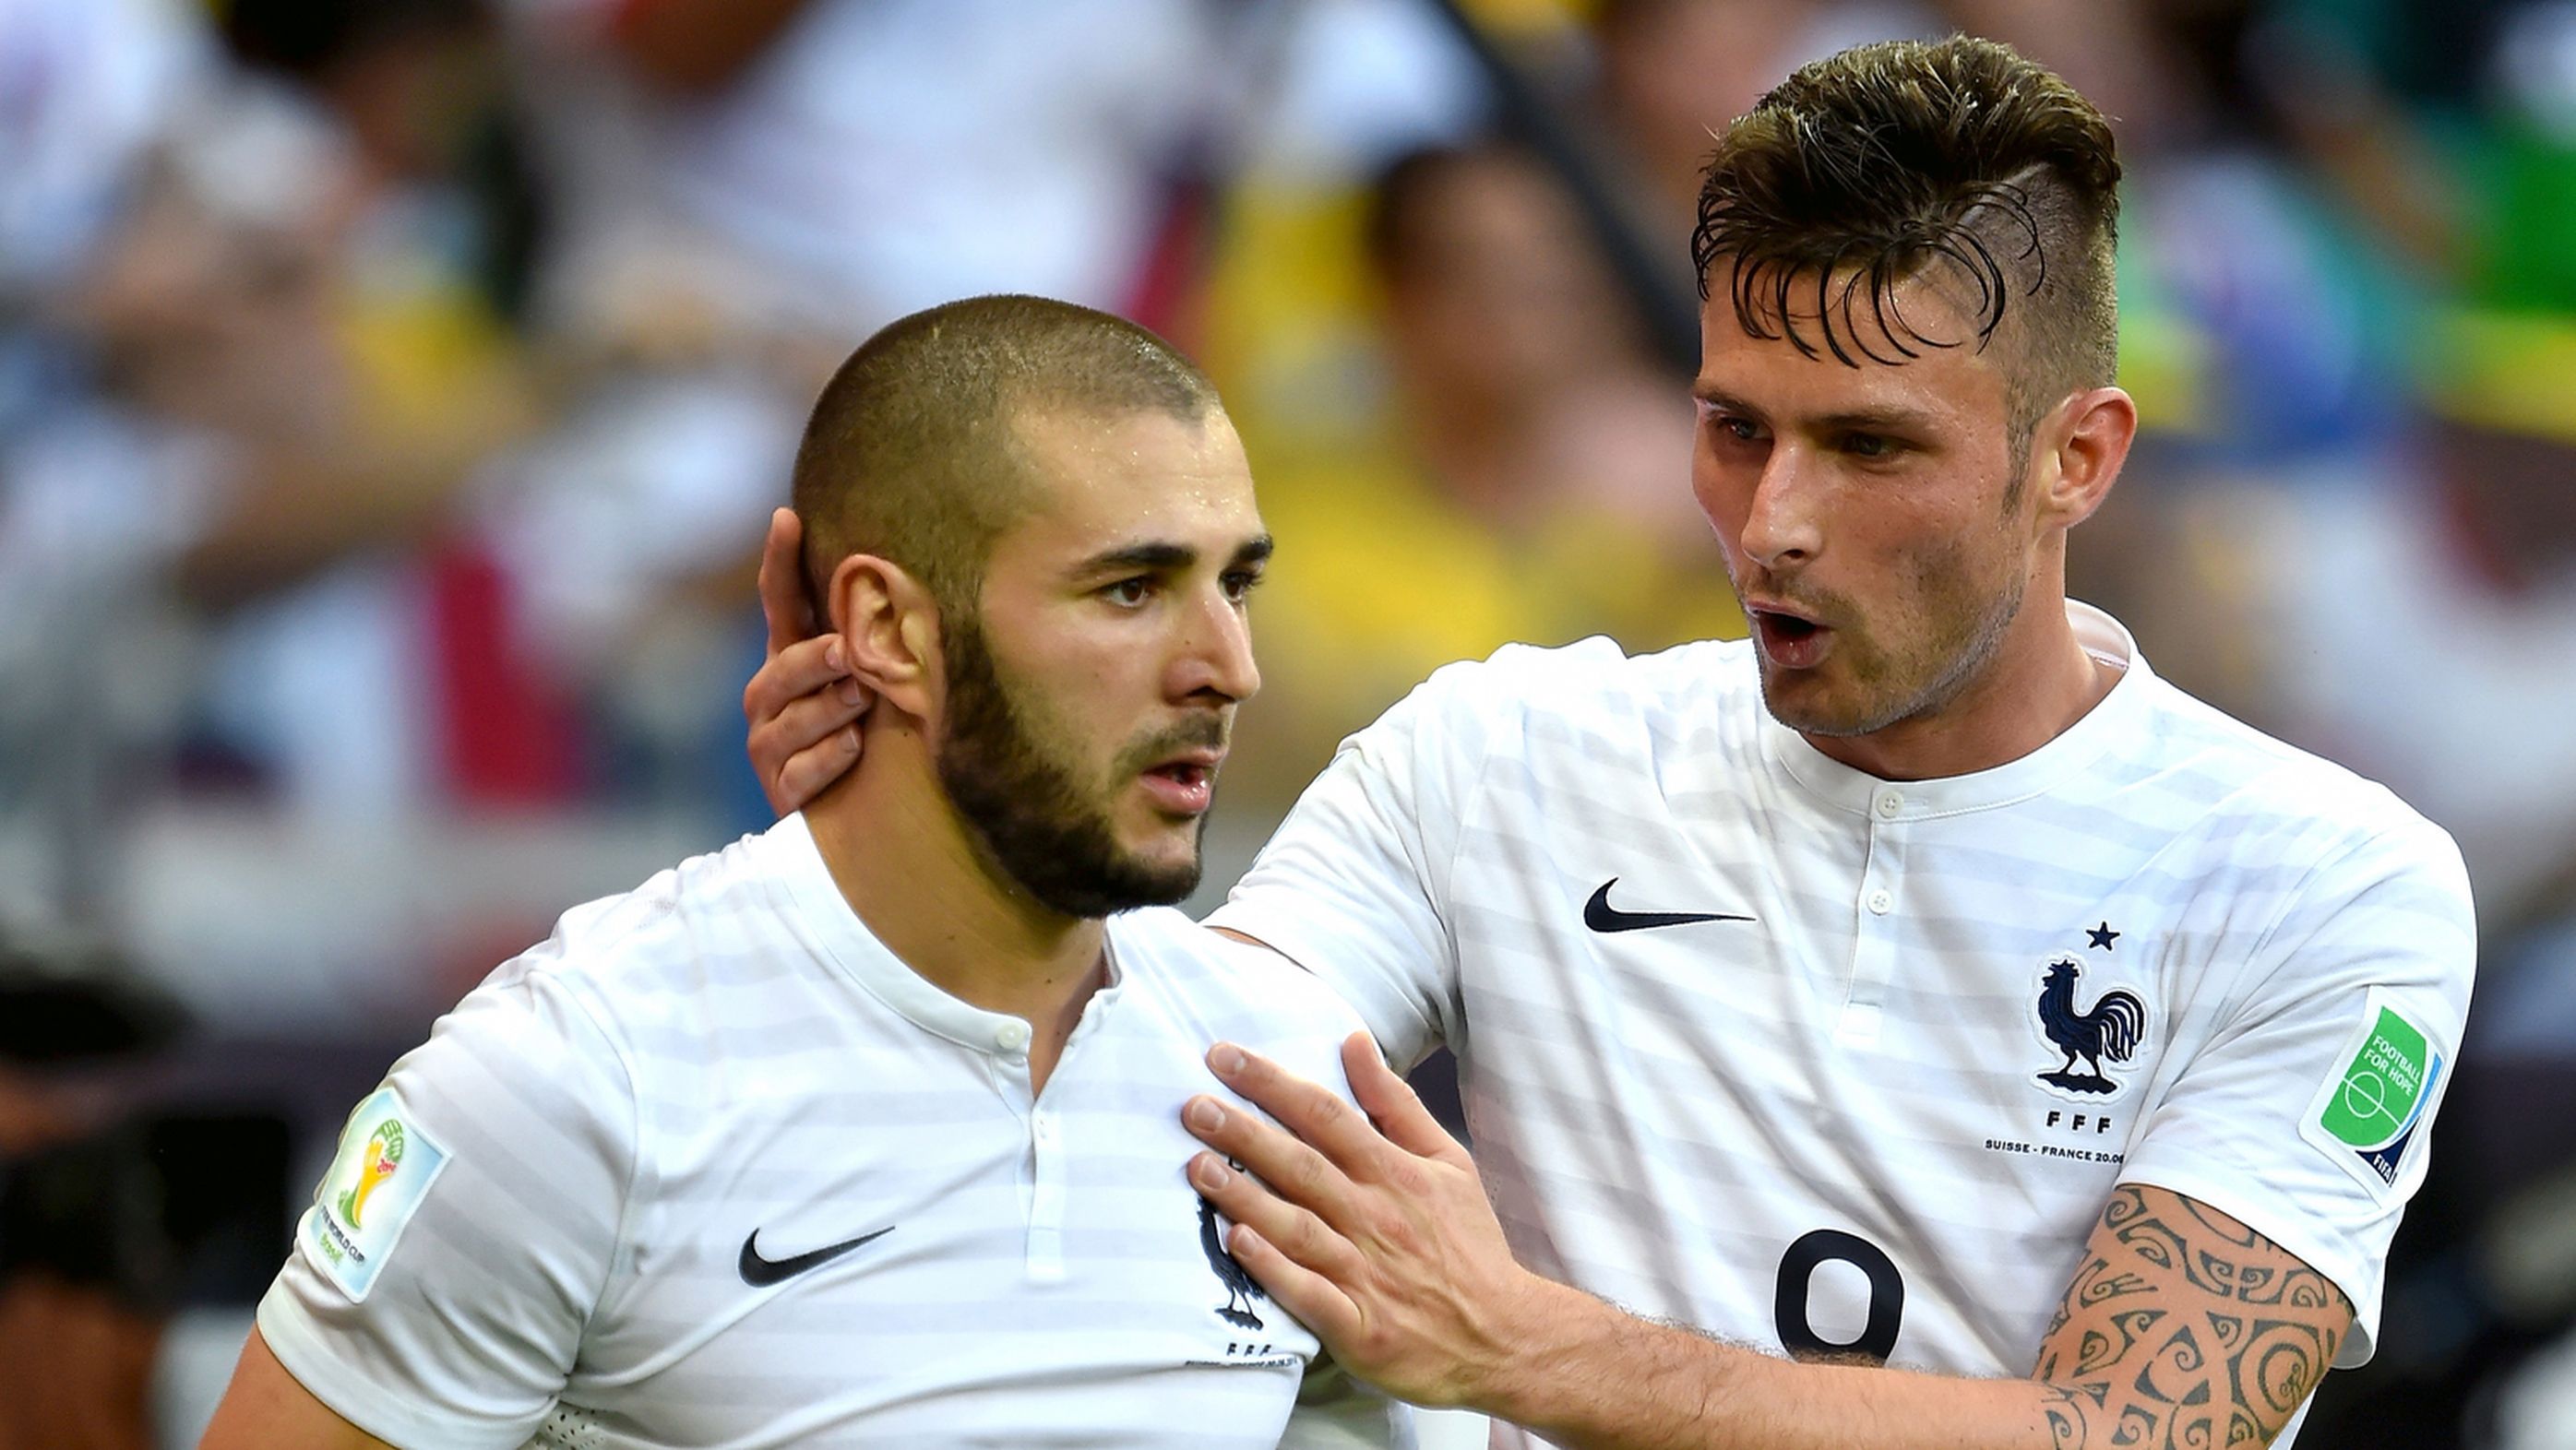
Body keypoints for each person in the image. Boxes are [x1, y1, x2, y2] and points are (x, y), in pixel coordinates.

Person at [745, 38, 2475, 1449]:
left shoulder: (2331, 878)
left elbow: (2138, 1437)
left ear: (2078, 457)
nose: (1773, 522)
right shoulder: (1497, 755)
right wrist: (919, 853)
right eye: (1733, 429)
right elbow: (1154, 1114)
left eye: (1869, 447)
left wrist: (1530, 1352)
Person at [198, 295, 1411, 1448]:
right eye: (1133, 589)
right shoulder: (569, 1081)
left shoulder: (1302, 1082)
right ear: (888, 628)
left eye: (1236, 584)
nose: (1227, 666)